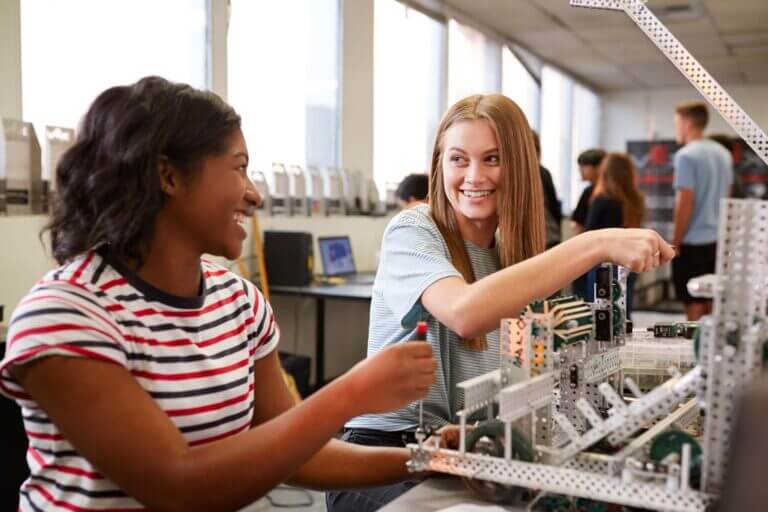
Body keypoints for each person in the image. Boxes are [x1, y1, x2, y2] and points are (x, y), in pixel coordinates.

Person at [0, 76, 438, 512]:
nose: (254, 195)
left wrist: (431, 459)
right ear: (168, 175)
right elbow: (176, 485)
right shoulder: (65, 315)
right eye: (239, 167)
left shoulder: (239, 303)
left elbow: (299, 452)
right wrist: (352, 392)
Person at [327, 94, 674, 512]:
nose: (474, 175)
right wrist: (595, 243)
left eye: (492, 159)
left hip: (467, 454)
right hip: (384, 458)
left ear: (519, 168)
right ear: (439, 165)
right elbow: (465, 313)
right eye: (458, 159)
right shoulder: (413, 230)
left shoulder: (512, 257)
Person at [672, 101, 733, 320]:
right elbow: (728, 198)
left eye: (677, 123)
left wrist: (675, 242)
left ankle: (694, 353)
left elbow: (685, 202)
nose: (676, 129)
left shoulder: (686, 156)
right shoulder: (723, 155)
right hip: (717, 242)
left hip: (692, 244)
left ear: (687, 123)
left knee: (693, 307)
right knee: (711, 302)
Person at [583, 153, 646, 317]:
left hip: (601, 262)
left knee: (600, 312)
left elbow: (589, 233)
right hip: (627, 260)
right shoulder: (636, 199)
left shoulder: (601, 199)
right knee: (623, 311)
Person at [532, 130, 563, 248]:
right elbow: (554, 207)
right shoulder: (543, 172)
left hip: (540, 237)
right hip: (549, 235)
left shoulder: (539, 172)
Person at [571, 148, 606, 235]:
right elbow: (577, 221)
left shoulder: (607, 192)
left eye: (584, 165)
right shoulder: (588, 191)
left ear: (599, 167)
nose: (580, 170)